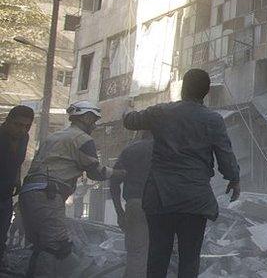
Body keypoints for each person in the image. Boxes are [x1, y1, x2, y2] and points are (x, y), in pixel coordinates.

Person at [123, 69, 240, 278]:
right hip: (194, 200)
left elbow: (130, 121)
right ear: (206, 92)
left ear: (183, 88)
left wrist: (127, 109)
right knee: (189, 258)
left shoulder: (161, 112)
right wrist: (234, 179)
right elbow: (225, 156)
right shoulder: (213, 120)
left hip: (160, 197)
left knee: (157, 255)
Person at [19, 101, 113, 276]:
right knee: (55, 247)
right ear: (86, 117)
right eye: (93, 120)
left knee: (42, 246)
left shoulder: (55, 136)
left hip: (29, 193)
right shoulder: (83, 139)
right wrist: (118, 173)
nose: (94, 125)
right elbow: (95, 172)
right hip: (47, 194)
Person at [110, 132, 154, 278]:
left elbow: (114, 181)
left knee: (136, 254)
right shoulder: (168, 149)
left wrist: (119, 212)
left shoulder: (130, 150)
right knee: (161, 253)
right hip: (162, 207)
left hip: (135, 204)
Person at [0, 105, 34, 268]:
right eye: (18, 125)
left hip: (5, 193)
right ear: (8, 121)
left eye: (26, 126)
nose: (22, 130)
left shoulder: (24, 137)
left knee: (3, 229)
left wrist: (17, 178)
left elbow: (17, 161)